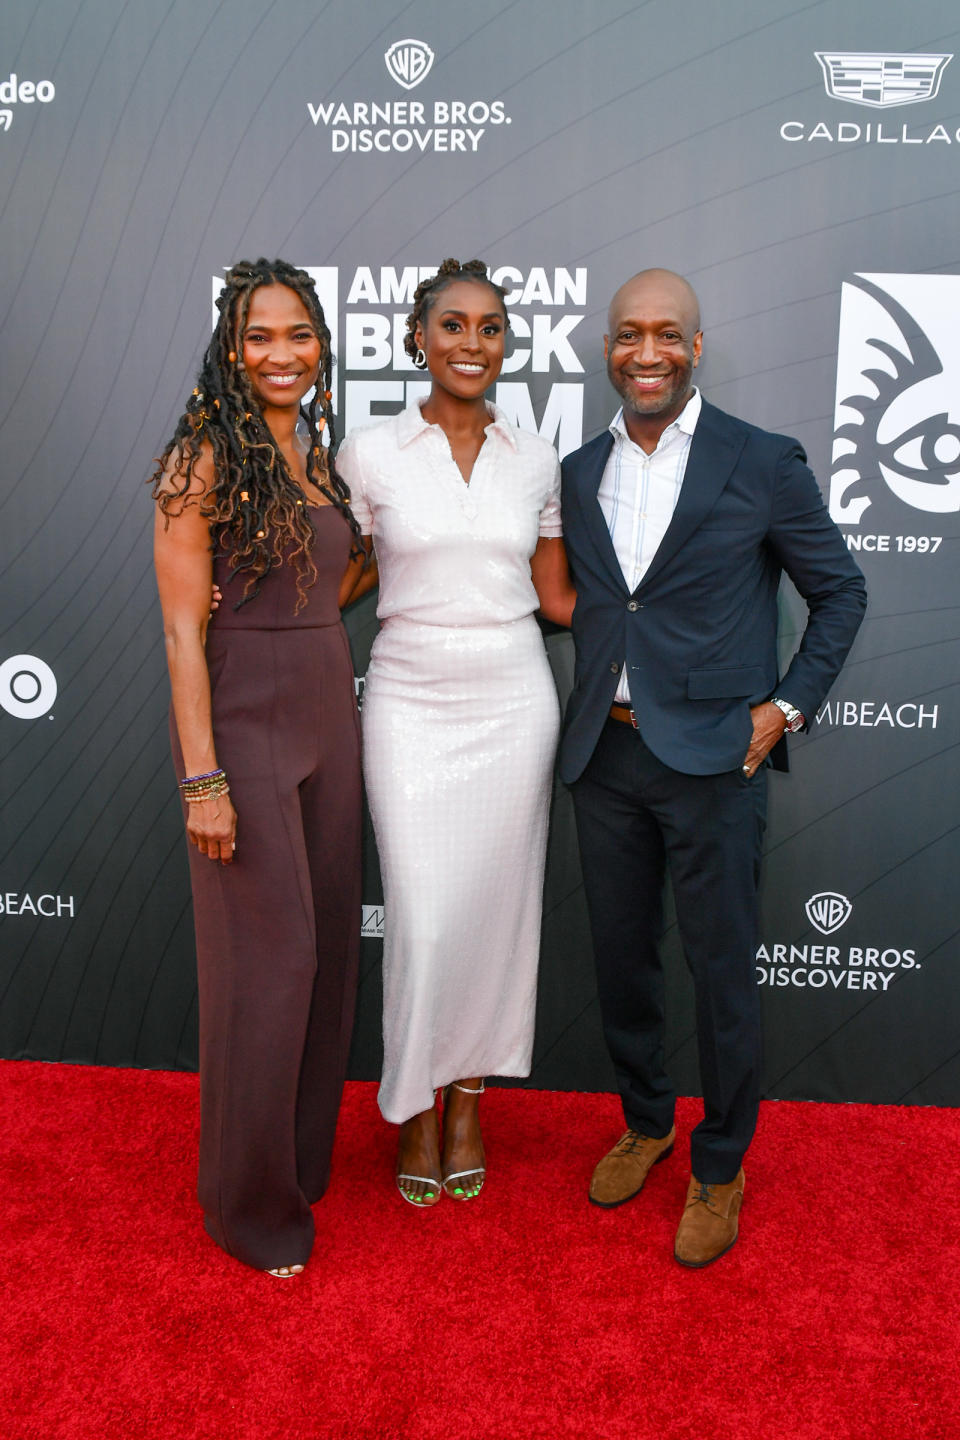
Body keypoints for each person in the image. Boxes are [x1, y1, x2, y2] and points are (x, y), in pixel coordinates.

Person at [559, 268, 867, 1267]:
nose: (646, 352)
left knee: (722, 970)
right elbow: (605, 605)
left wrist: (783, 708)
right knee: (622, 962)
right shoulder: (576, 470)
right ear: (606, 347)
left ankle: (721, 1162)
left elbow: (841, 592)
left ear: (697, 344)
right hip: (604, 754)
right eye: (628, 334)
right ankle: (646, 1119)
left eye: (667, 334)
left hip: (714, 762)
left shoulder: (762, 460)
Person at [337, 258, 574, 1207]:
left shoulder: (538, 458)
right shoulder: (371, 453)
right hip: (409, 693)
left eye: (489, 328)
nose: (471, 343)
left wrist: (670, 607)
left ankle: (469, 1101)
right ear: (418, 339)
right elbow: (345, 581)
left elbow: (557, 597)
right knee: (426, 915)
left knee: (499, 914)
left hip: (515, 698)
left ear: (506, 343)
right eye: (452, 325)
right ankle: (415, 1108)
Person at [151, 259, 371, 1276]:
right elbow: (183, 636)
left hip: (332, 711)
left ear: (320, 344)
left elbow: (342, 574)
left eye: (298, 335)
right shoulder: (201, 461)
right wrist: (203, 779)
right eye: (259, 337)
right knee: (267, 969)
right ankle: (247, 1207)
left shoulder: (321, 456)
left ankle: (297, 1164)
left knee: (324, 957)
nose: (281, 355)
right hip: (246, 724)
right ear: (229, 350)